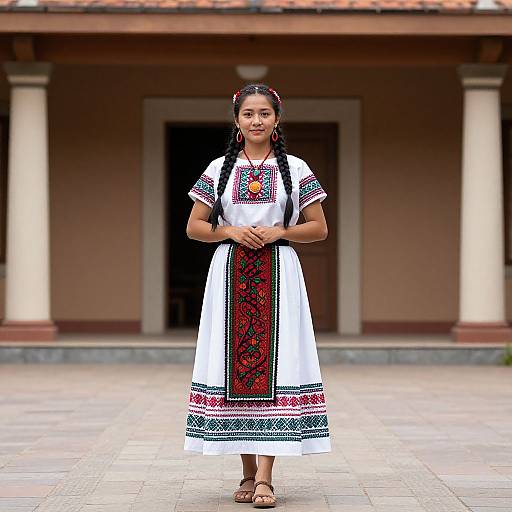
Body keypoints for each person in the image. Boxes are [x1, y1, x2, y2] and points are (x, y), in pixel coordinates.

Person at [184, 83, 331, 508]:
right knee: (237, 370)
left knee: (277, 366)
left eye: (264, 113)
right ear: (236, 121)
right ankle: (247, 473)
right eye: (248, 114)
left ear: (277, 120)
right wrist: (228, 229)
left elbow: (318, 227)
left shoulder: (296, 169)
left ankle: (265, 478)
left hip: (279, 273)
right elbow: (194, 225)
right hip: (230, 273)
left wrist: (280, 230)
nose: (256, 121)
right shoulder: (219, 169)